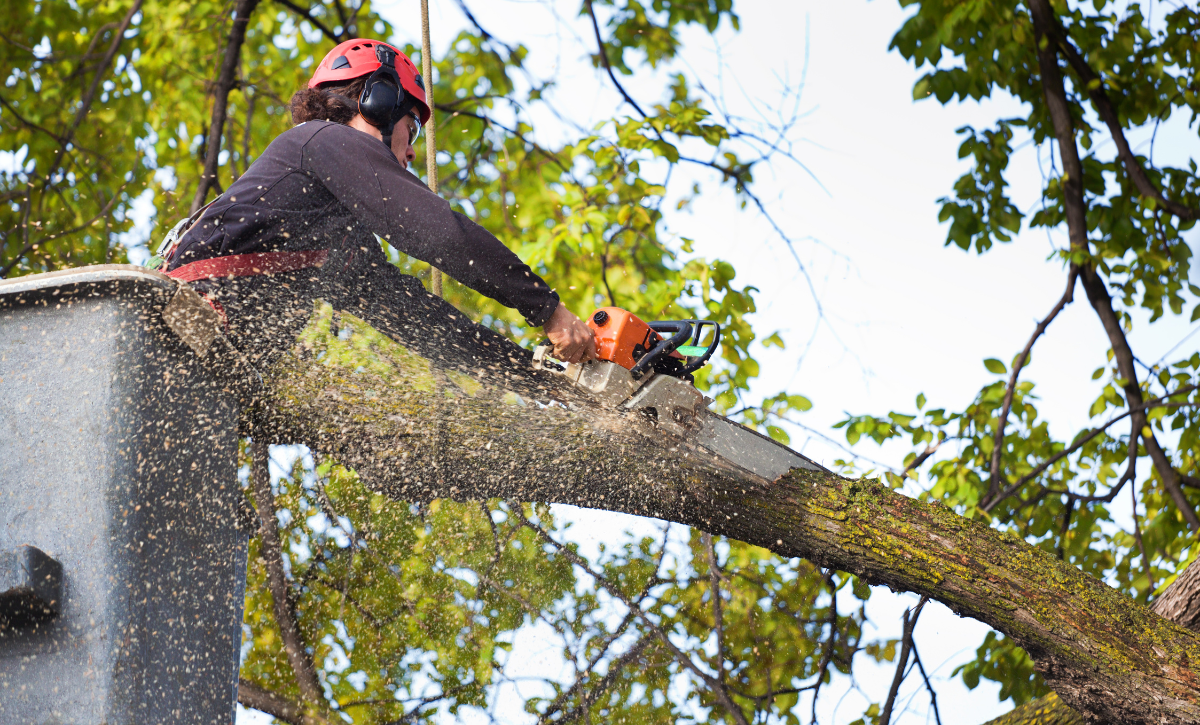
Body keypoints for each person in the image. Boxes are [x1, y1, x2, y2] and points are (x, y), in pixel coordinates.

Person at [161, 38, 596, 372]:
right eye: (413, 127)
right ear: (379, 102)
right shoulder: (322, 141)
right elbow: (440, 233)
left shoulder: (336, 233)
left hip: (203, 363)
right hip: (176, 330)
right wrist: (548, 309)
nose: (411, 153)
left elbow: (417, 320)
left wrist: (534, 373)